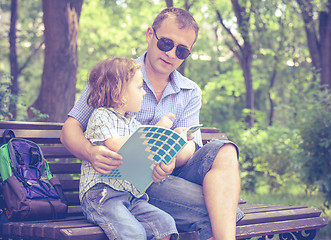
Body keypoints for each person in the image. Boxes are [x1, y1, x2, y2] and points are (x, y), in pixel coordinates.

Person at [61, 7, 244, 240]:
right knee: (222, 211)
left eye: (182, 51)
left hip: (169, 176)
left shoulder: (190, 91)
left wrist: (171, 157)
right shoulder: (116, 75)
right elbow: (69, 129)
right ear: (150, 35)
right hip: (127, 183)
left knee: (226, 151)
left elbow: (191, 147)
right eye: (166, 43)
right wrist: (90, 152)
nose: (171, 54)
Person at [80, 57, 195, 240]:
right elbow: (116, 145)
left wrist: (176, 138)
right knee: (135, 233)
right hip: (102, 195)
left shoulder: (132, 123)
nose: (143, 93)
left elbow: (144, 146)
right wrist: (158, 130)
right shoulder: (101, 116)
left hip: (131, 196)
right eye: (140, 87)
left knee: (165, 224)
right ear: (120, 93)